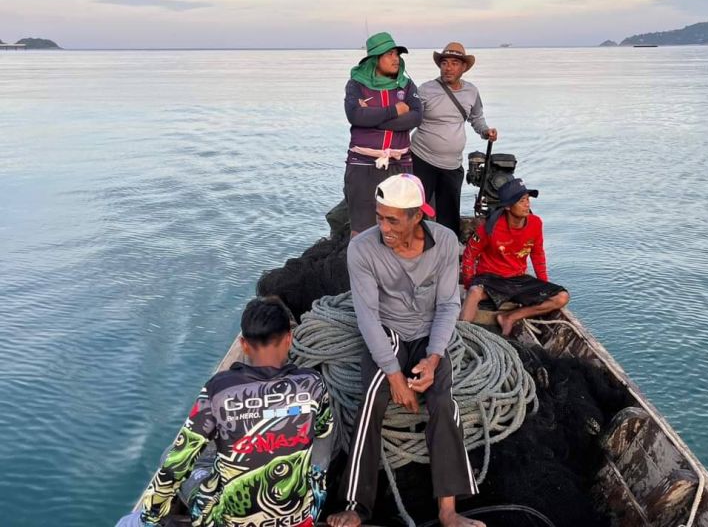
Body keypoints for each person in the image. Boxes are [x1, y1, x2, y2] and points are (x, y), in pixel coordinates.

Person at [327, 174, 483, 527]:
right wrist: (394, 376)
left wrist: (433, 358)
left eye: (392, 219)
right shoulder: (362, 249)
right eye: (379, 217)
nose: (383, 227)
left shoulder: (444, 242)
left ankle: (448, 510)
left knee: (444, 403)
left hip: (429, 336)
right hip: (387, 332)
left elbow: (447, 306)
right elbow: (366, 316)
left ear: (417, 217)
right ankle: (356, 504)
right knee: (371, 400)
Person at [119, 298, 334, 527]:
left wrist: (150, 517)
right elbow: (323, 434)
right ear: (289, 339)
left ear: (243, 344)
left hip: (225, 521)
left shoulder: (219, 389)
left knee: (169, 457)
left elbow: (177, 463)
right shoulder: (313, 384)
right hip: (299, 518)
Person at [460, 178, 569, 335]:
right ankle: (462, 335)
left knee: (562, 297)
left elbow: (538, 254)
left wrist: (542, 285)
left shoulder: (535, 223)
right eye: (521, 201)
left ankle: (510, 317)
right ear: (508, 207)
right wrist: (469, 283)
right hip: (490, 278)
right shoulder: (490, 227)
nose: (527, 205)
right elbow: (469, 255)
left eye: (527, 199)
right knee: (474, 292)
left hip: (518, 279)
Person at [411, 42, 498, 234]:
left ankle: (449, 249)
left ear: (463, 67)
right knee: (416, 209)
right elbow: (411, 118)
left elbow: (476, 118)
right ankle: (415, 250)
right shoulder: (426, 90)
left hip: (452, 164)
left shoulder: (472, 92)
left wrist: (485, 132)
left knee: (449, 213)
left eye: (454, 63)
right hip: (422, 159)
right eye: (444, 63)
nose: (448, 67)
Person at [344, 32, 422, 236]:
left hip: (400, 163)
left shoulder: (407, 85)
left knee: (401, 225)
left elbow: (416, 118)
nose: (396, 58)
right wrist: (394, 110)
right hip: (363, 164)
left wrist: (371, 119)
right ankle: (360, 267)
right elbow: (354, 115)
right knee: (360, 230)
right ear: (374, 58)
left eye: (397, 53)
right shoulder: (356, 84)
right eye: (389, 54)